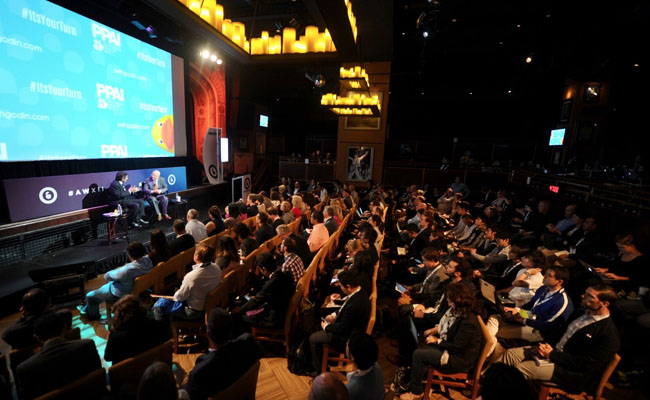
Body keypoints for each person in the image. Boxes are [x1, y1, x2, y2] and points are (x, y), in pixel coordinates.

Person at [500, 284, 620, 394]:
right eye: (585, 293)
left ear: (605, 303)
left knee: (519, 370)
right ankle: (489, 381)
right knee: (510, 354)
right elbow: (558, 333)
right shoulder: (579, 313)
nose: (583, 296)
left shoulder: (608, 334)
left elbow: (585, 364)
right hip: (552, 352)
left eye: (590, 296)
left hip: (569, 371)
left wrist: (552, 355)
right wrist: (544, 346)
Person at [399, 282, 482, 399]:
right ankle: (416, 377)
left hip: (458, 359)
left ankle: (416, 392)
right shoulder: (459, 311)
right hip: (453, 350)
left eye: (449, 300)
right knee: (420, 342)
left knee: (418, 354)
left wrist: (437, 341)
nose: (447, 301)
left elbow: (457, 347)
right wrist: (436, 330)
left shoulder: (469, 321)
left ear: (457, 301)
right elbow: (451, 328)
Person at [16, 312, 102, 400]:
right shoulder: (87, 345)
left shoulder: (24, 368)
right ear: (64, 329)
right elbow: (98, 374)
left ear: (36, 337)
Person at [185, 308, 263, 400]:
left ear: (208, 334)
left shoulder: (199, 372)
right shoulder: (247, 342)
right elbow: (260, 353)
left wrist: (188, 382)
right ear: (231, 330)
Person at [309, 269, 371, 373]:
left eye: (341, 286)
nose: (340, 288)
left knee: (313, 338)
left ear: (348, 286)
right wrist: (333, 315)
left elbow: (342, 328)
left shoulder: (354, 305)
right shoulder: (361, 292)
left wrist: (326, 327)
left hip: (347, 339)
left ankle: (320, 371)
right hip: (351, 330)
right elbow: (346, 306)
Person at [497, 266, 574, 342]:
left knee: (500, 332)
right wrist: (517, 310)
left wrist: (523, 320)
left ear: (559, 282)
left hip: (539, 332)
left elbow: (548, 325)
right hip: (529, 319)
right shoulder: (543, 288)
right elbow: (532, 306)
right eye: (545, 274)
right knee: (495, 318)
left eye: (549, 276)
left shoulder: (561, 301)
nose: (544, 277)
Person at [79, 241, 152, 320]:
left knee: (90, 296)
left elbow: (107, 276)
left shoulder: (128, 270)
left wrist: (114, 271)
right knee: (101, 290)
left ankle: (93, 317)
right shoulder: (147, 260)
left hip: (120, 294)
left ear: (130, 255)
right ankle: (86, 309)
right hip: (136, 289)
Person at [153, 243, 221, 321]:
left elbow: (179, 297)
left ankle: (165, 328)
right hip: (211, 305)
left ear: (197, 256)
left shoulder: (191, 276)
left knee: (158, 307)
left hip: (194, 311)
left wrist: (176, 293)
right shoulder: (216, 268)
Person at [104, 295, 170, 364]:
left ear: (119, 315)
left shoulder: (115, 338)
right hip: (154, 366)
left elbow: (108, 357)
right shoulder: (158, 326)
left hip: (129, 370)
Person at [240, 252, 294, 328]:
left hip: (274, 320)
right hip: (283, 313)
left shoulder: (272, 283)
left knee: (241, 317)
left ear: (264, 269)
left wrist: (239, 310)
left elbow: (256, 301)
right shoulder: (286, 274)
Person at [345, 332, 384, 400]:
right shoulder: (376, 366)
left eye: (348, 344)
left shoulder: (352, 389)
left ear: (353, 357)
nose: (346, 343)